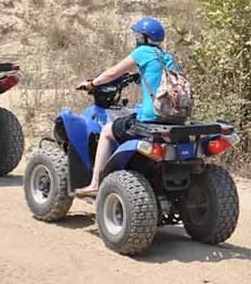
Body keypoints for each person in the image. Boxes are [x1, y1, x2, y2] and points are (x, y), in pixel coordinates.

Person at [73, 17, 178, 198]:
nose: (136, 39)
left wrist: (93, 83)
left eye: (138, 36)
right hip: (172, 118)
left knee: (107, 131)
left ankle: (95, 184)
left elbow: (113, 72)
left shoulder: (143, 52)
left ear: (144, 38)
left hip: (151, 117)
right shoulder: (168, 58)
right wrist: (138, 78)